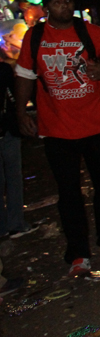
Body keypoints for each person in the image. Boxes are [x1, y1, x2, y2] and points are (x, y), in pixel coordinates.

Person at [15, 0, 100, 275]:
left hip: (95, 124)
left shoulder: (87, 31)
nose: (64, 6)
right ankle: (78, 253)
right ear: (46, 8)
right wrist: (21, 111)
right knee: (69, 193)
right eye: (58, 2)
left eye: (68, 1)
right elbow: (25, 74)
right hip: (56, 129)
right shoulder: (35, 36)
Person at [0, 61, 28, 239]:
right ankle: (16, 223)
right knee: (13, 177)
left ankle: (3, 226)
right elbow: (14, 94)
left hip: (7, 127)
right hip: (7, 127)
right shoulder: (3, 70)